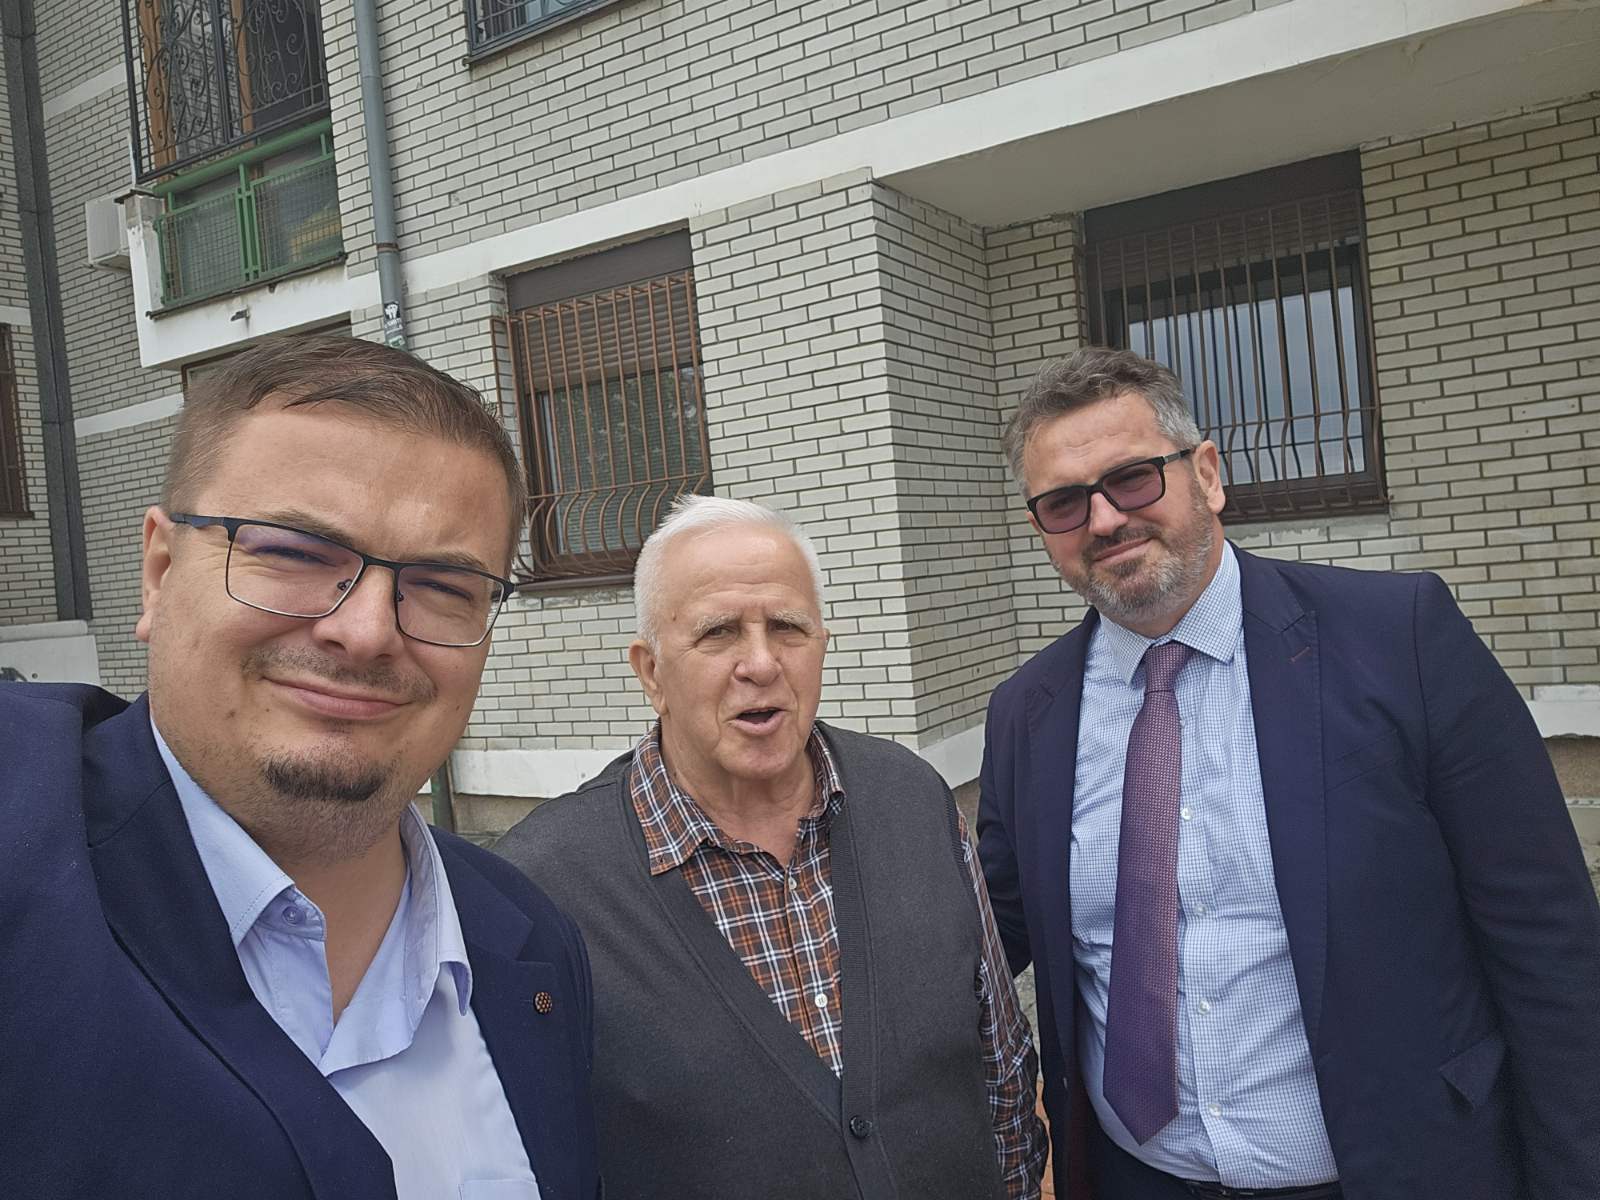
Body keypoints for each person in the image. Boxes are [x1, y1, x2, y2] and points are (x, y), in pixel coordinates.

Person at [977, 347, 1600, 1200]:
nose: (1105, 519)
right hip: (1135, 1178)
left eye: (1132, 479)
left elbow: (1547, 946)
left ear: (1207, 474)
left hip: (1392, 1173)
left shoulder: (1400, 638)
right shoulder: (1027, 713)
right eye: (1064, 502)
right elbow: (989, 932)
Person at [0, 335, 598, 1200]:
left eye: (442, 585)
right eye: (294, 552)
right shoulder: (26, 840)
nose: (366, 631)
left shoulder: (528, 942)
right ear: (159, 573)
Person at [495, 495, 1048, 1200]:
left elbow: (1001, 1063)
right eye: (718, 632)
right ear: (651, 671)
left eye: (786, 627)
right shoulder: (545, 885)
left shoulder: (912, 799)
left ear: (822, 646)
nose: (760, 663)